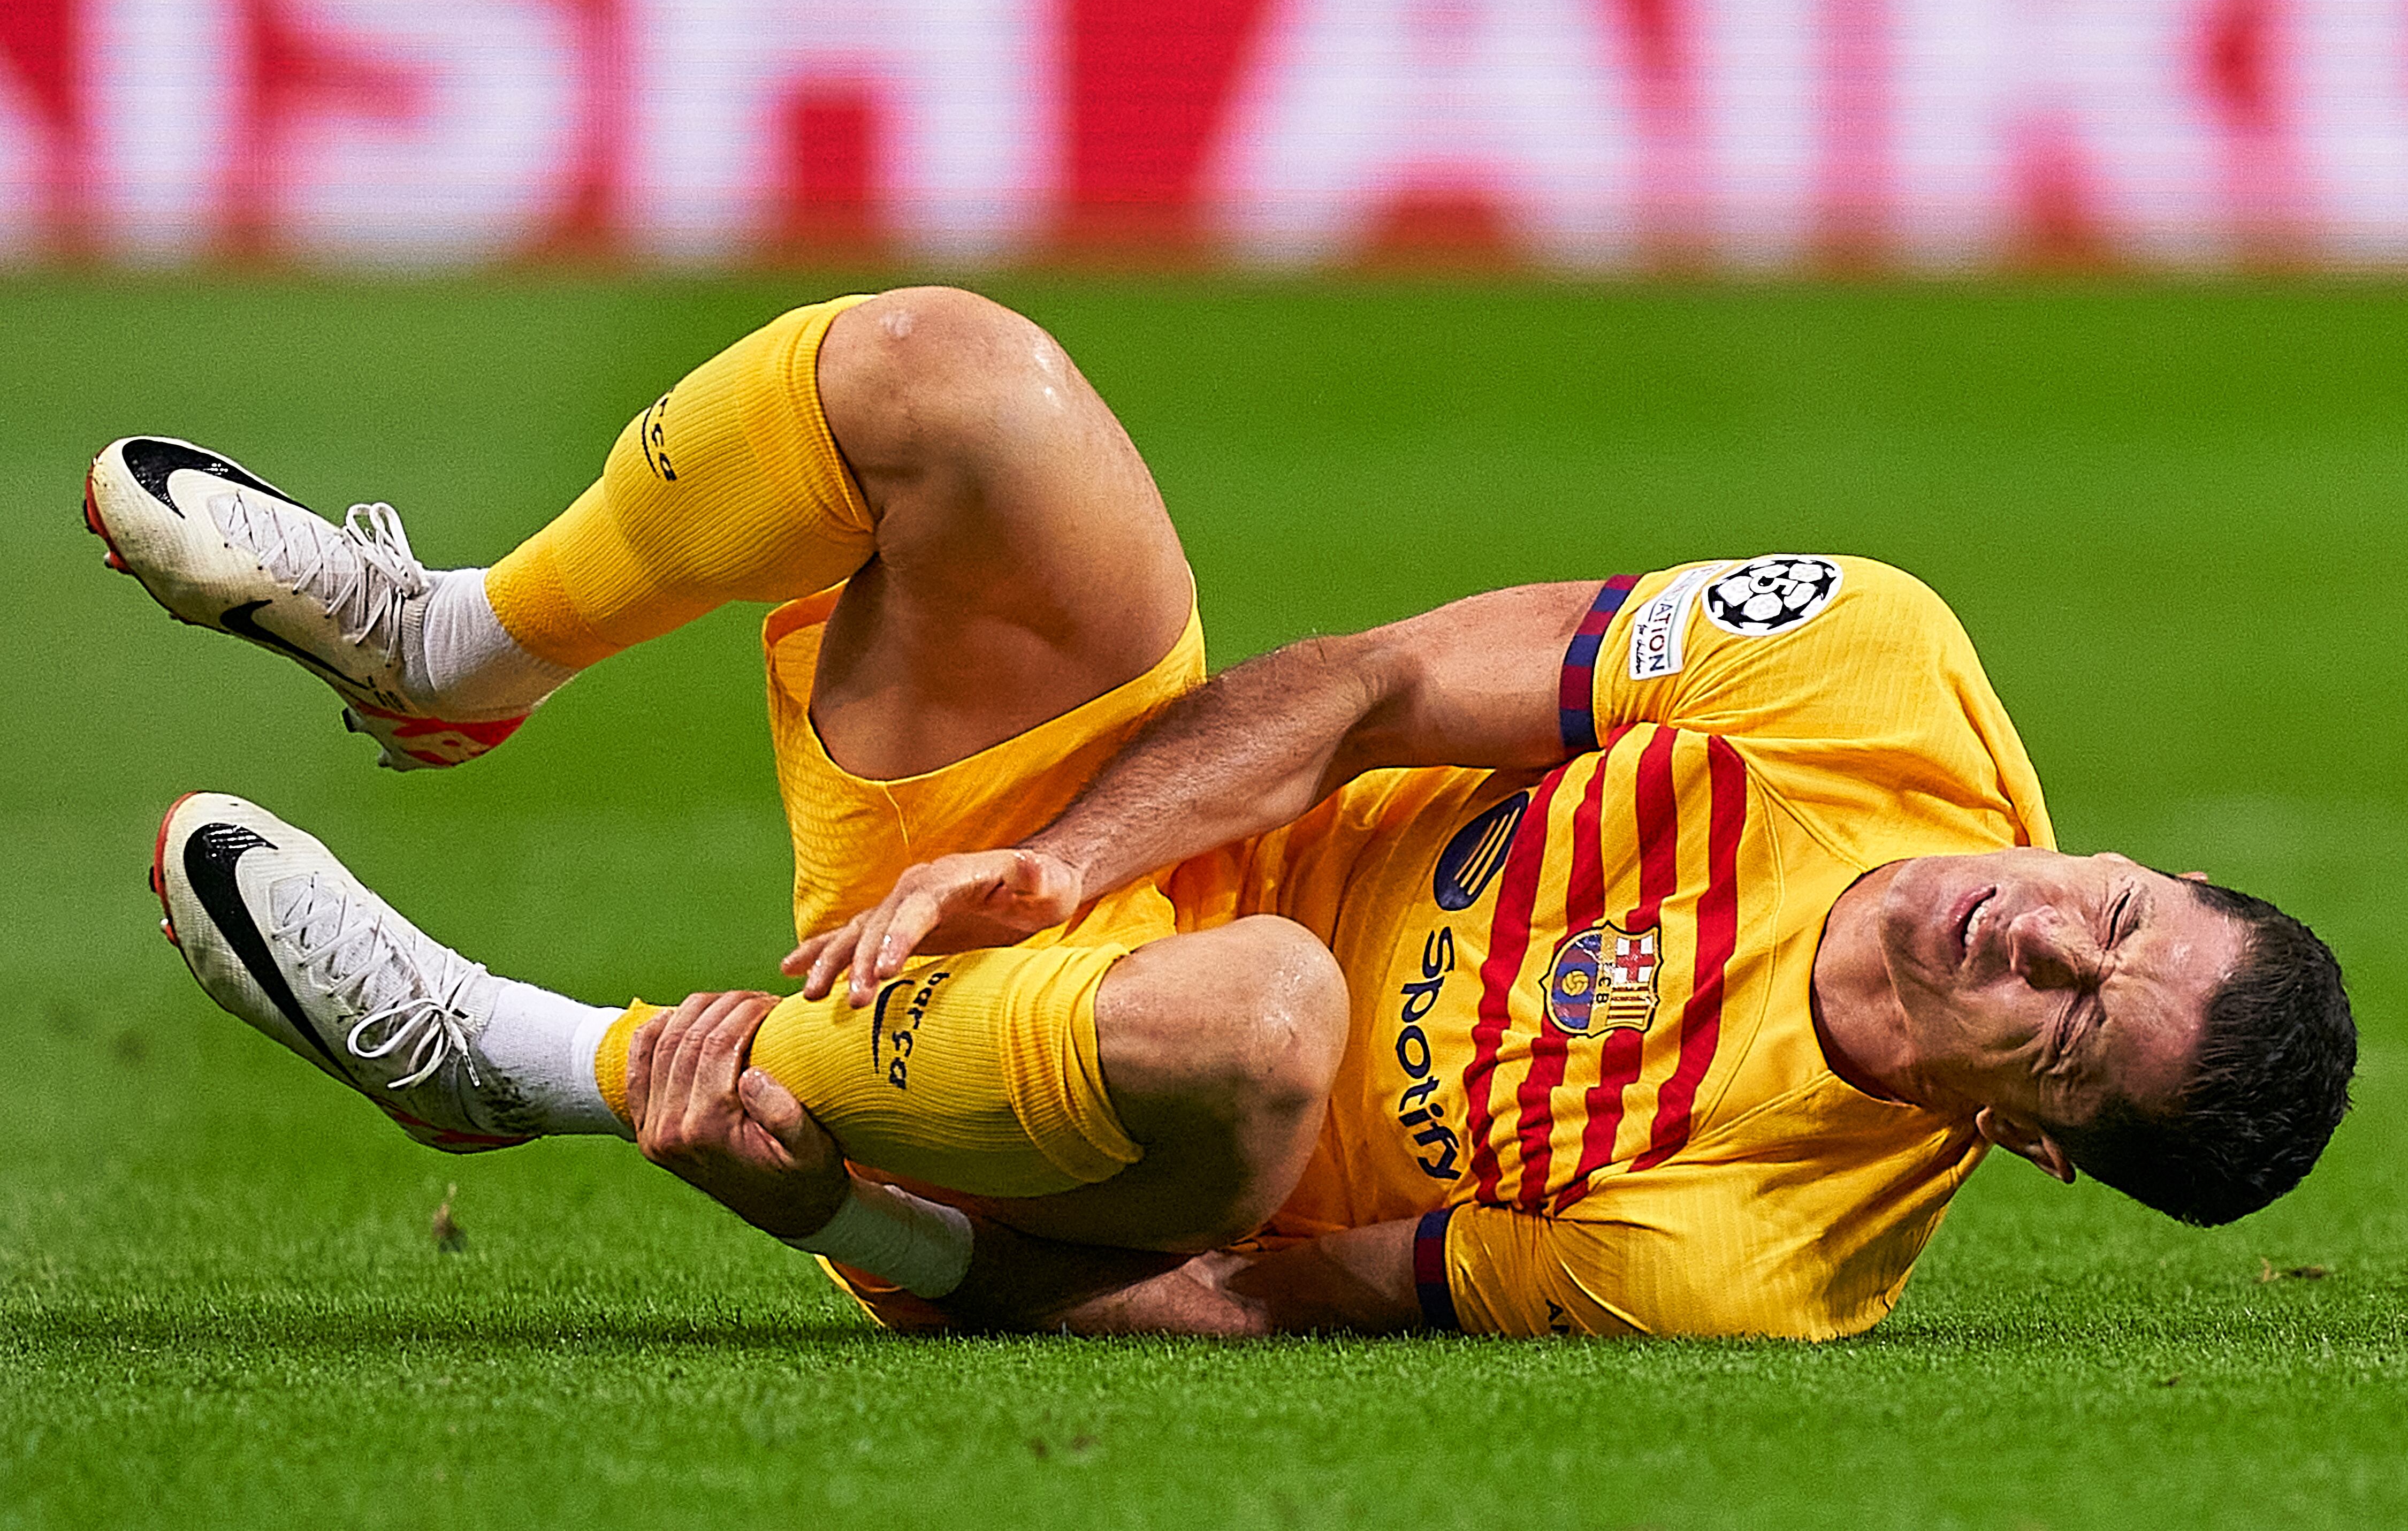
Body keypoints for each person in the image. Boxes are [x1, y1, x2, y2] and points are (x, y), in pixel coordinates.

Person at [86, 287, 2356, 1340]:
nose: (2030, 936)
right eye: (2109, 908)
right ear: (2127, 860)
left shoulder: (1750, 1258)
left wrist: (853, 1237)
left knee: (1268, 1012)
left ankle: (517, 1060)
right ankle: (455, 645)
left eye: (2071, 1016)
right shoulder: (1874, 668)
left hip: (1040, 1130)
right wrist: (1071, 856)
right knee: (949, 377)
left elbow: (1245, 1308)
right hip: (1035, 856)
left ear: (2031, 1145)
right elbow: (1373, 686)